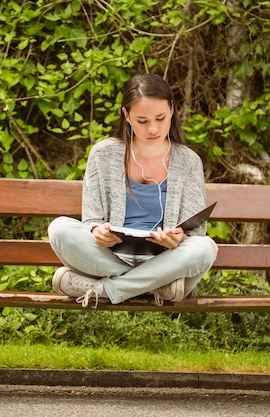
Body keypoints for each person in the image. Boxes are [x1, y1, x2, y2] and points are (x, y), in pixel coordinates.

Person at [47, 73, 218, 308]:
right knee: (59, 229)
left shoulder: (189, 161)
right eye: (142, 121)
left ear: (172, 109)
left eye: (160, 118)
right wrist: (98, 231)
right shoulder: (103, 154)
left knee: (204, 248)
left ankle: (107, 290)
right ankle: (156, 287)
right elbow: (91, 221)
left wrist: (179, 238)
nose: (153, 129)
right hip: (113, 257)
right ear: (126, 115)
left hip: (166, 260)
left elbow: (196, 234)